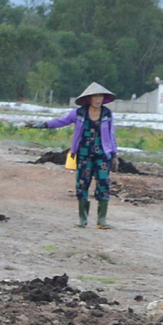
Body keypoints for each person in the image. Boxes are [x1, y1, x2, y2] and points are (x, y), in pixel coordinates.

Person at [36, 82, 118, 229]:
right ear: (89, 98)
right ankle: (83, 219)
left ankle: (102, 220)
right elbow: (62, 121)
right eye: (95, 96)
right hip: (83, 154)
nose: (98, 99)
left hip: (102, 155)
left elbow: (111, 135)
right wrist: (44, 125)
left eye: (100, 96)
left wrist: (114, 154)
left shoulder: (107, 114)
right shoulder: (79, 113)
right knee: (82, 184)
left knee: (104, 184)